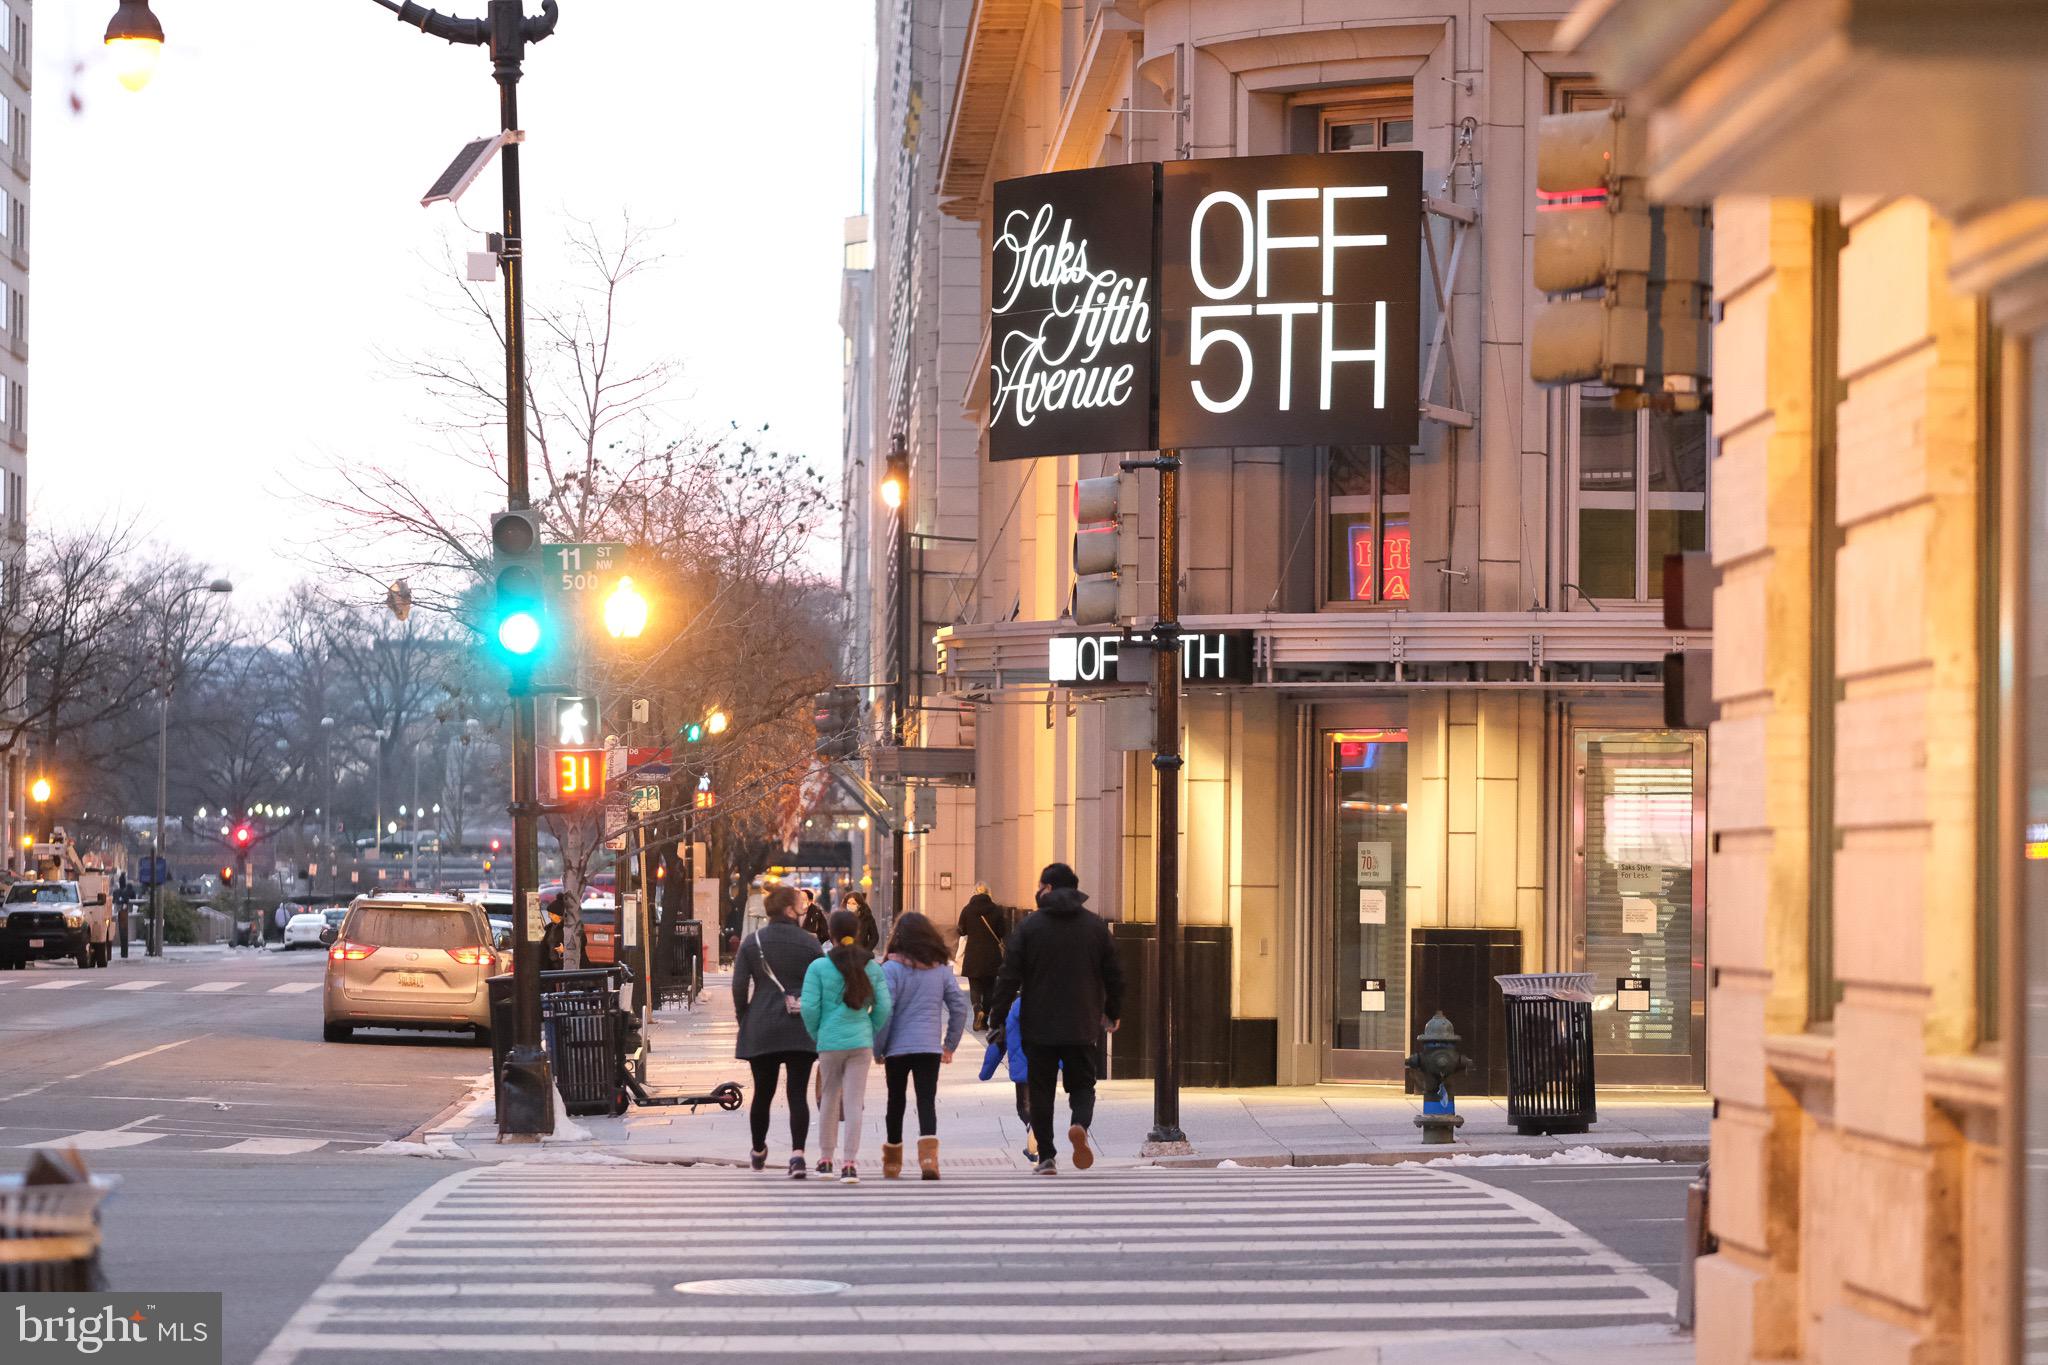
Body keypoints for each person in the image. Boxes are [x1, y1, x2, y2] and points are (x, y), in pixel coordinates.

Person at [987, 862, 1123, 1176]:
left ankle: (1047, 1156)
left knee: (1041, 1089)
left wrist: (997, 1018)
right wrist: (1112, 1012)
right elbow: (1114, 974)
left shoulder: (1030, 927)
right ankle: (1079, 1125)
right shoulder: (1094, 927)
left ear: (1048, 888)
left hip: (1039, 1023)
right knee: (1083, 1084)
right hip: (1082, 1021)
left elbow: (1008, 976)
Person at [731, 884, 826, 1178]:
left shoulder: (753, 942)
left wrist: (745, 1019)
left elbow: (738, 987)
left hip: (763, 1024)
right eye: (799, 905)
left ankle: (758, 1150)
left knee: (763, 1092)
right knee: (797, 1093)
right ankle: (797, 1156)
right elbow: (823, 983)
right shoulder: (810, 944)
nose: (803, 909)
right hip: (801, 1025)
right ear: (789, 910)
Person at [871, 911, 970, 1180]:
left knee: (896, 1101)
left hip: (897, 1049)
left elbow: (885, 1011)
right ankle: (929, 1160)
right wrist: (949, 1045)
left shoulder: (890, 969)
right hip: (928, 1047)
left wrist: (879, 1048)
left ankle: (893, 1162)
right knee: (926, 1101)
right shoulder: (940, 969)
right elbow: (959, 1007)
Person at [801, 908, 892, 1184]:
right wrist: (869, 1029)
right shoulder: (871, 967)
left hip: (829, 1041)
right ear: (856, 932)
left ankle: (825, 1160)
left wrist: (817, 1033)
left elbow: (809, 1007)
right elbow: (884, 1006)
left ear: (831, 934)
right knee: (854, 1101)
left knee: (829, 1098)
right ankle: (850, 1164)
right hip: (860, 1042)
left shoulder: (818, 967)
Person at [978, 994, 1042, 1162]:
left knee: (1024, 1108)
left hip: (1022, 1070)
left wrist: (985, 1072)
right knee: (1041, 1105)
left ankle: (1033, 1131)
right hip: (1044, 1067)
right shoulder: (1048, 1006)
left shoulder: (1013, 1011)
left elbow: (999, 1043)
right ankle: (1035, 1142)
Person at [956, 886, 1007, 1031]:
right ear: (989, 893)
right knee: (990, 987)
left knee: (975, 986)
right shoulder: (996, 910)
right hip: (991, 955)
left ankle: (977, 1009)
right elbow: (1002, 931)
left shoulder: (967, 909)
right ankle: (984, 1021)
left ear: (974, 893)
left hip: (973, 954)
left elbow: (961, 930)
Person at [538, 894, 567, 971]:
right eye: (549, 914)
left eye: (552, 914)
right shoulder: (550, 929)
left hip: (564, 967)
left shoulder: (569, 928)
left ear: (560, 915)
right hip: (550, 966)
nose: (549, 916)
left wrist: (565, 950)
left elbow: (581, 944)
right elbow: (544, 947)